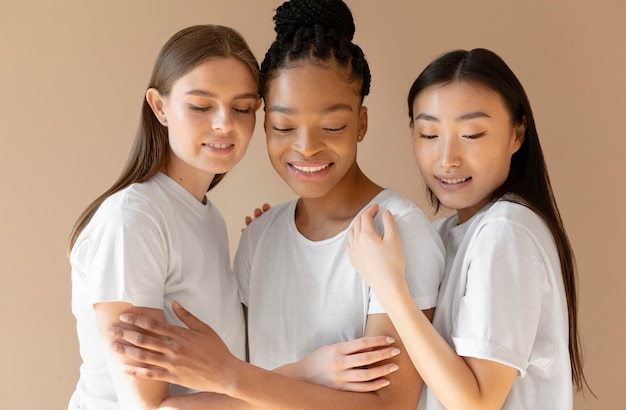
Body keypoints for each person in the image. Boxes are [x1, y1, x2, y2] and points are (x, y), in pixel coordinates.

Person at [107, 0, 445, 408]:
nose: (306, 147)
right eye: (284, 126)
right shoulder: (260, 237)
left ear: (361, 123)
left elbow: (388, 406)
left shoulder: (394, 230)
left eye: (333, 125)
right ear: (265, 125)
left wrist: (230, 375)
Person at [347, 48, 591, 409]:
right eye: (428, 134)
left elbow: (475, 403)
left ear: (517, 134)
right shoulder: (447, 232)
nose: (447, 159)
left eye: (473, 134)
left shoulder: (505, 231)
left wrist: (390, 287)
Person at [67, 24, 263, 408]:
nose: (225, 122)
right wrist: (303, 380)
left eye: (242, 107)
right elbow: (149, 407)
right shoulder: (133, 220)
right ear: (160, 107)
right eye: (201, 105)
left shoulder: (210, 218)